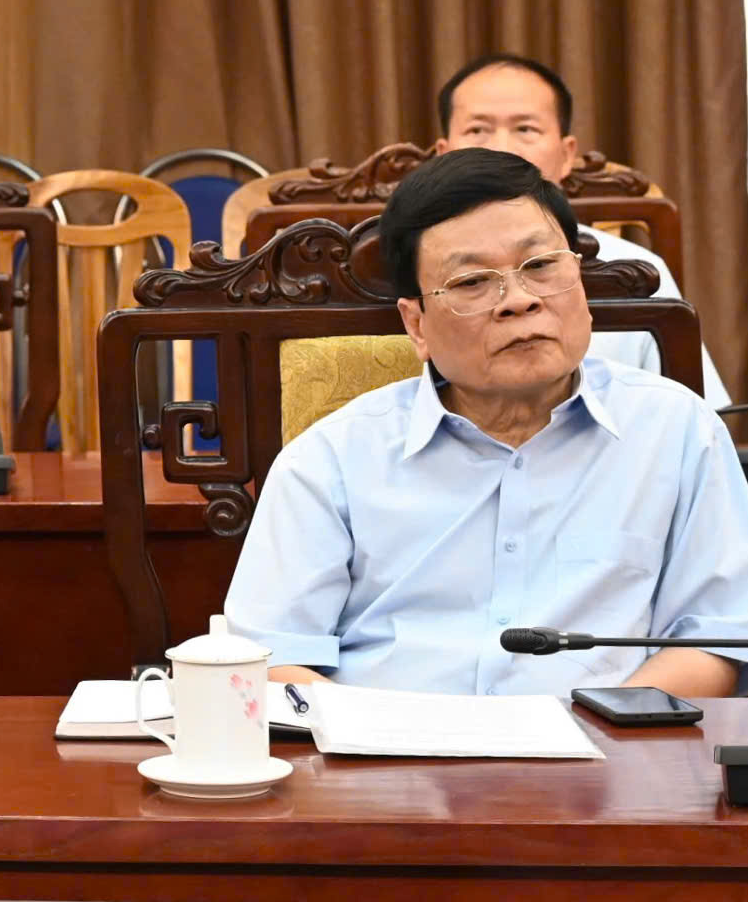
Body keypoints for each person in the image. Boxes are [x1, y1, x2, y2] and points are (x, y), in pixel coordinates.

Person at [226, 148, 748, 695]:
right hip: (382, 741)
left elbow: (715, 638)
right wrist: (384, 734)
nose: (518, 301)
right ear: (416, 324)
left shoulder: (676, 431)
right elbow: (267, 661)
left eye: (540, 266)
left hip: (608, 740)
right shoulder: (329, 460)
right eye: (472, 281)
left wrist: (601, 733)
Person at [434, 53, 726, 405]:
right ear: (443, 153)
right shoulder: (401, 266)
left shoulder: (636, 270)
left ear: (566, 154)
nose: (501, 149)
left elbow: (700, 414)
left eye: (525, 129)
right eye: (478, 130)